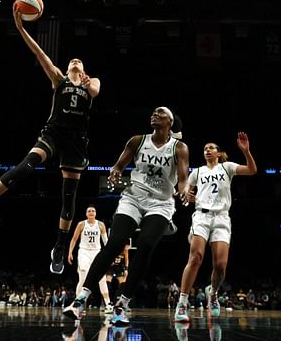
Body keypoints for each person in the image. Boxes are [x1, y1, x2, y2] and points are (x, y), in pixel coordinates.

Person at [0, 7, 101, 275]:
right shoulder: (58, 79)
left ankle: (59, 246)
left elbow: (95, 90)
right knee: (24, 167)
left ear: (83, 69)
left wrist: (87, 81)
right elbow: (39, 53)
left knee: (68, 199)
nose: (74, 61)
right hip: (54, 133)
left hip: (77, 141)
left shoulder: (91, 82)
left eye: (78, 61)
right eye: (72, 60)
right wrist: (22, 27)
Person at [63, 106, 189, 325]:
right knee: (114, 244)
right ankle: (80, 300)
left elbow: (183, 177)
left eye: (160, 113)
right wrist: (115, 172)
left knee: (146, 244)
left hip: (160, 204)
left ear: (170, 122)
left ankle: (122, 303)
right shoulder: (137, 141)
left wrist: (184, 189)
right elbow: (119, 165)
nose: (154, 115)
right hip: (133, 199)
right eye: (153, 112)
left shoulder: (179, 148)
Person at [174, 133, 257, 322]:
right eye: (205, 149)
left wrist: (246, 151)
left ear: (219, 153)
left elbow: (252, 170)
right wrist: (187, 194)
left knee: (220, 265)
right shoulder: (198, 171)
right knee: (196, 257)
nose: (208, 150)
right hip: (201, 216)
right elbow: (185, 187)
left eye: (211, 147)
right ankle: (182, 302)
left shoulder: (227, 167)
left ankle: (213, 293)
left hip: (221, 217)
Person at [67, 205, 113, 313]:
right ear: (86, 213)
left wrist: (109, 256)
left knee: (101, 279)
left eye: (93, 211)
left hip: (97, 252)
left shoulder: (101, 225)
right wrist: (70, 252)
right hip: (84, 251)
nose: (91, 212)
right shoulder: (81, 224)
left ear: (95, 213)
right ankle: (78, 304)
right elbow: (74, 239)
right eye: (89, 211)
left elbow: (106, 242)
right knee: (83, 278)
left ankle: (108, 304)